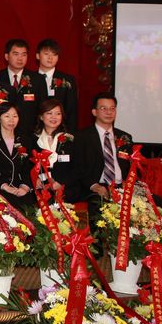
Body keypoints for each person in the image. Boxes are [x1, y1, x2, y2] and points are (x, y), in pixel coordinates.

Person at [72, 93, 136, 247]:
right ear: (94, 112)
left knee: (152, 201)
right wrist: (94, 185)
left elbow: (131, 165)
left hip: (121, 186)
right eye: (104, 108)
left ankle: (133, 247)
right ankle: (98, 250)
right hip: (95, 185)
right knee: (97, 202)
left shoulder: (125, 137)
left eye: (112, 109)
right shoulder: (81, 137)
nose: (109, 112)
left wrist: (128, 183)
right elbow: (77, 167)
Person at [0, 104, 35, 212]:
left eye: (15, 116)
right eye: (7, 116)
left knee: (29, 210)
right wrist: (4, 186)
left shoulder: (25, 140)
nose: (11, 120)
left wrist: (25, 186)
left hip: (20, 188)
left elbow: (29, 167)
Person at [0, 39, 47, 137]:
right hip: (1, 133)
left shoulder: (37, 79)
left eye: (24, 54)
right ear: (6, 56)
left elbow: (43, 108)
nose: (20, 58)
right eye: (16, 54)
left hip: (29, 133)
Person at [31, 99, 79, 202]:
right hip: (40, 188)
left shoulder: (69, 139)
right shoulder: (32, 140)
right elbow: (27, 166)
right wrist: (35, 179)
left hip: (66, 189)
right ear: (41, 117)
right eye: (49, 113)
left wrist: (60, 182)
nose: (54, 117)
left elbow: (78, 168)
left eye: (58, 113)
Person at [35, 39, 79, 132]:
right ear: (38, 56)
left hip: (61, 131)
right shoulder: (29, 79)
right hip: (34, 130)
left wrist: (70, 134)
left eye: (54, 54)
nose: (50, 58)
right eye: (46, 54)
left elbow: (72, 110)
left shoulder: (67, 80)